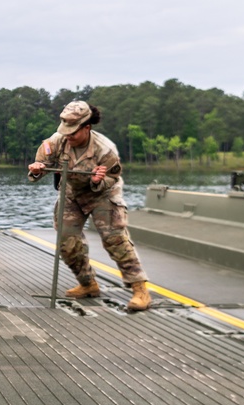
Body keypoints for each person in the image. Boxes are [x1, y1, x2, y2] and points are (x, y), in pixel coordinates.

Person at [27, 101, 152, 311]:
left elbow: (113, 177)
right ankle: (88, 284)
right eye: (65, 131)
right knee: (66, 240)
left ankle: (140, 289)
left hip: (102, 193)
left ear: (86, 128)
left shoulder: (105, 150)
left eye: (73, 132)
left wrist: (97, 181)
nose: (69, 136)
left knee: (114, 238)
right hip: (71, 192)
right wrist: (38, 170)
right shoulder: (56, 142)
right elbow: (40, 167)